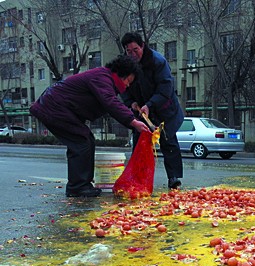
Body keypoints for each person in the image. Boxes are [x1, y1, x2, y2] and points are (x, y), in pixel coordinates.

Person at [30, 55, 149, 197]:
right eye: (128, 81)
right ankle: (78, 187)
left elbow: (110, 105)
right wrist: (133, 122)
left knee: (85, 140)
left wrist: (132, 116)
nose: (127, 86)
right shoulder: (102, 77)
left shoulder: (105, 79)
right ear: (121, 74)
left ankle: (81, 184)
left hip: (56, 107)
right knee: (81, 141)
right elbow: (110, 102)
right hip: (54, 107)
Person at [121, 32, 184, 189]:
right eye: (129, 51)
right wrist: (131, 103)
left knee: (169, 142)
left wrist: (150, 104)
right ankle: (138, 179)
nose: (133, 54)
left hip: (164, 108)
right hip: (142, 111)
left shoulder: (158, 61)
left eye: (135, 49)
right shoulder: (125, 65)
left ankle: (174, 178)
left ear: (142, 46)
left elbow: (166, 88)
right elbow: (123, 87)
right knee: (140, 143)